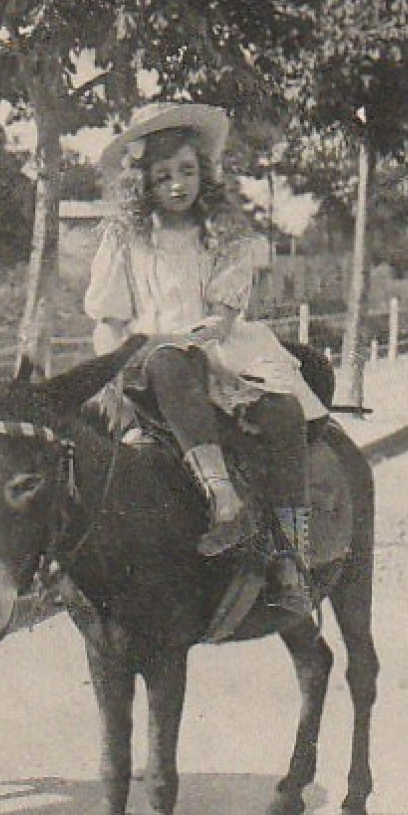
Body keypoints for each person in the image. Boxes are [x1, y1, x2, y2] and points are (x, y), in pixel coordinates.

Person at [83, 103, 327, 620]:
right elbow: (108, 316)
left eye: (187, 173)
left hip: (213, 347)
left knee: (281, 412)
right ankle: (224, 499)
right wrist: (112, 367)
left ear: (204, 174)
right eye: (163, 175)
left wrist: (208, 333)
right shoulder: (125, 238)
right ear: (142, 181)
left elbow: (222, 313)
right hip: (150, 360)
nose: (177, 186)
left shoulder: (221, 235)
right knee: (167, 362)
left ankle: (290, 558)